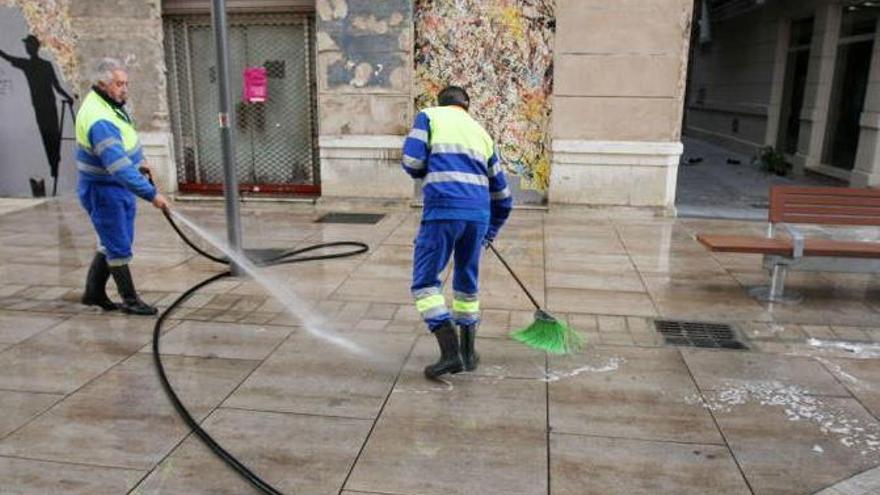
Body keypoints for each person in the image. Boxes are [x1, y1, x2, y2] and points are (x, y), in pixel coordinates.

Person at [401, 86, 513, 379]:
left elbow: (412, 162)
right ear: (467, 105)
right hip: (478, 215)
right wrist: (490, 232)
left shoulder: (429, 116)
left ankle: (450, 354)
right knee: (467, 282)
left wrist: (427, 168)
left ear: (441, 102)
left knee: (425, 283)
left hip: (443, 210)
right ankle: (468, 353)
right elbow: (503, 195)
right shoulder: (482, 133)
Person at [76, 58, 169, 315]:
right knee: (117, 244)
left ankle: (93, 294)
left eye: (126, 83)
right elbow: (117, 165)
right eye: (119, 84)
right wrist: (151, 194)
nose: (124, 89)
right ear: (102, 84)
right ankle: (129, 300)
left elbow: (126, 141)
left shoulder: (110, 105)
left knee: (111, 241)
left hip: (114, 187)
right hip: (104, 190)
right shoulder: (99, 119)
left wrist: (140, 162)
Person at [0, 35, 75, 193]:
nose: (27, 48)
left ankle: (55, 165)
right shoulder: (29, 64)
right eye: (26, 45)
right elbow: (7, 57)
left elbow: (56, 85)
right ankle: (53, 165)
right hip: (41, 107)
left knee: (51, 135)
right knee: (48, 136)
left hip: (47, 106)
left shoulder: (41, 65)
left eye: (29, 45)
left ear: (34, 47)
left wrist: (68, 97)